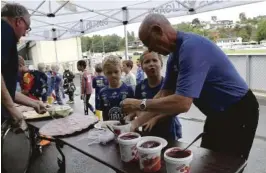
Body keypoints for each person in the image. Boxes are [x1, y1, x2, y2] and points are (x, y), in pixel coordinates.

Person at [121, 13, 259, 163]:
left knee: (229, 164)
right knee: (207, 161)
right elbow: (164, 93)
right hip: (216, 115)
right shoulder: (174, 55)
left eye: (149, 42)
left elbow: (182, 103)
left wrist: (139, 104)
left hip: (239, 111)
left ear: (158, 30)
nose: (149, 48)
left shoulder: (191, 47)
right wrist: (134, 124)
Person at [1, 3, 46, 131]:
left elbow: (7, 90)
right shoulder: (4, 30)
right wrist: (12, 109)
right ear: (19, 21)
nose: (26, 33)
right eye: (27, 27)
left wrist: (34, 103)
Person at [128, 51, 182, 140]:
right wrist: (139, 117)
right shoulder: (139, 87)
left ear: (161, 64)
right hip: (146, 131)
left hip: (167, 131)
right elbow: (137, 107)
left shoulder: (169, 86)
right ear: (141, 67)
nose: (151, 64)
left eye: (154, 60)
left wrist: (156, 118)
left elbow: (175, 109)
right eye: (147, 62)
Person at [98, 55, 134, 121]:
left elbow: (134, 111)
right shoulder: (102, 92)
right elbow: (104, 113)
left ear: (121, 70)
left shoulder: (129, 90)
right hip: (109, 129)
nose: (113, 75)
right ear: (104, 73)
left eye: (116, 72)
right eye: (109, 73)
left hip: (126, 129)